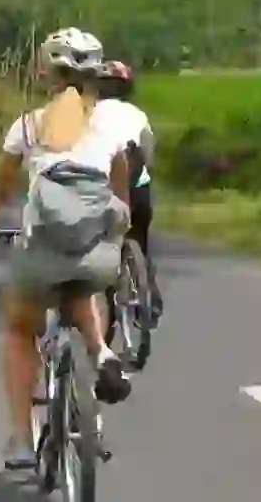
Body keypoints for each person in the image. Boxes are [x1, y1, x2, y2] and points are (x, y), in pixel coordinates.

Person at [0, 27, 132, 470]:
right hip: (96, 249)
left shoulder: (29, 126)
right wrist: (118, 227)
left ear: (48, 73)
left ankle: (21, 439)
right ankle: (101, 352)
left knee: (20, 329)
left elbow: (1, 189)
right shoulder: (114, 123)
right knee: (86, 285)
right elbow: (120, 188)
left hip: (43, 247)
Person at [96, 60, 163, 325]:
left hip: (100, 190)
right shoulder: (137, 115)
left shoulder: (86, 113)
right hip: (137, 189)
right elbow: (148, 152)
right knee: (140, 240)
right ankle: (151, 300)